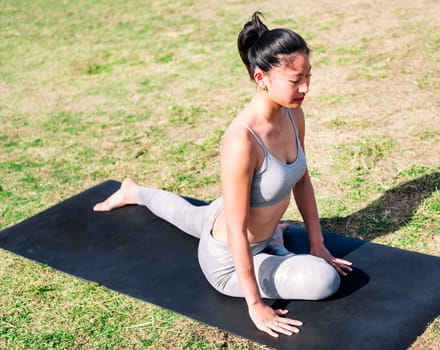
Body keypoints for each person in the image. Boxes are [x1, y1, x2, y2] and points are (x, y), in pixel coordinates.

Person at [93, 12, 352, 338]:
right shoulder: (241, 140)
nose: (305, 87)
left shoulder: (293, 114)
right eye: (296, 80)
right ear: (262, 79)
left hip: (230, 213)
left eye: (308, 76)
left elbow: (301, 179)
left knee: (187, 213)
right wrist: (255, 304)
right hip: (228, 258)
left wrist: (318, 244)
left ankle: (134, 192)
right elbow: (235, 226)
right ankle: (274, 242)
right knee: (323, 280)